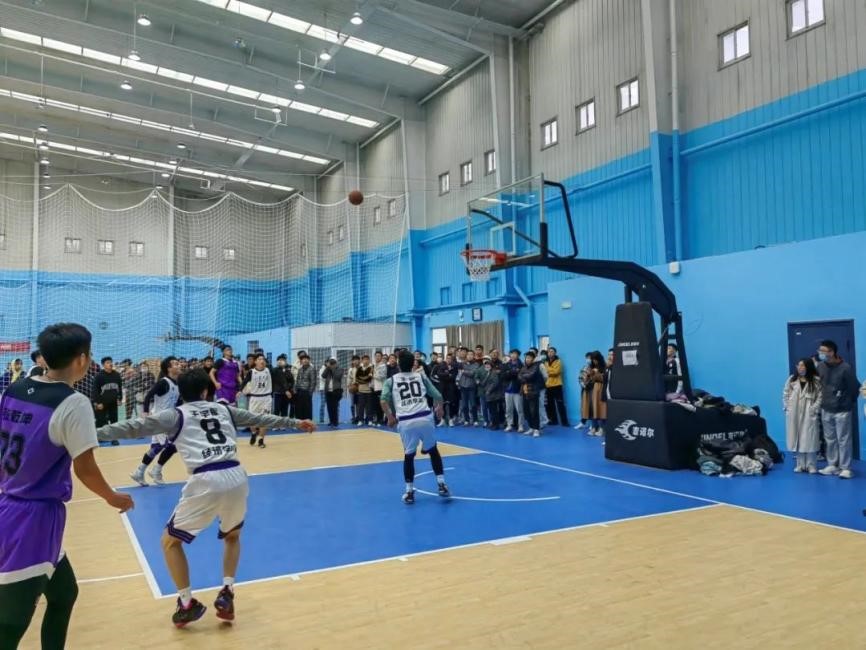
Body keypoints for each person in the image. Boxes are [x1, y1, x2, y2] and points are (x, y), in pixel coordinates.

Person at [97, 368, 314, 627]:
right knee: (232, 536)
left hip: (206, 479)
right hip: (236, 476)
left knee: (170, 542)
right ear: (205, 391)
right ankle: (227, 593)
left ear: (181, 392)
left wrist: (91, 434)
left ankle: (186, 604)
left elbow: (131, 427)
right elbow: (261, 418)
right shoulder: (225, 409)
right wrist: (296, 423)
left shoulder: (176, 414)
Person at [0, 323, 133, 649]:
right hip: (33, 519)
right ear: (82, 359)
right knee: (11, 625)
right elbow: (85, 468)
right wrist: (112, 497)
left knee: (64, 593)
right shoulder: (74, 403)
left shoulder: (14, 389)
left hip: (10, 504)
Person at [380, 350, 449, 504]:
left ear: (399, 364)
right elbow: (438, 395)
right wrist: (440, 408)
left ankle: (409, 492)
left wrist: (390, 417)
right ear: (413, 364)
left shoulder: (391, 381)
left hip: (406, 421)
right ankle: (442, 484)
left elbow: (383, 400)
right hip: (425, 417)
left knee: (409, 455)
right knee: (433, 451)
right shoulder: (420, 377)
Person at [129, 356, 181, 486]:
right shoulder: (163, 382)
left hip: (168, 420)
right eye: (175, 364)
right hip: (160, 420)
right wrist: (145, 412)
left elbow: (177, 402)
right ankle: (156, 471)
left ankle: (139, 472)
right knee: (173, 445)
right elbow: (148, 395)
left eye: (178, 363)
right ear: (168, 368)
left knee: (156, 448)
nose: (179, 365)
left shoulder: (176, 384)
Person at [816, 340, 860, 479]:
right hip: (826, 408)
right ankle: (832, 465)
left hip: (842, 410)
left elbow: (855, 387)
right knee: (830, 439)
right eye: (820, 351)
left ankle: (845, 468)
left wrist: (847, 402)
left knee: (843, 439)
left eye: (823, 351)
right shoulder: (821, 366)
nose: (820, 353)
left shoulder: (845, 368)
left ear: (832, 352)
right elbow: (819, 385)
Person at [784, 358, 822, 474]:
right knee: (798, 439)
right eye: (798, 365)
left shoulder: (816, 381)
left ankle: (811, 465)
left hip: (809, 413)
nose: (800, 368)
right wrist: (787, 408)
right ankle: (800, 465)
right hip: (794, 413)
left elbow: (820, 397)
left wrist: (814, 409)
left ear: (808, 367)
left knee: (809, 439)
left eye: (802, 365)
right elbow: (785, 394)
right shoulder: (792, 379)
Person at [92, 357, 123, 445]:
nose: (110, 364)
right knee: (100, 421)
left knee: (114, 421)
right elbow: (95, 390)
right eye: (108, 362)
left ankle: (114, 438)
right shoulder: (99, 376)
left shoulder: (117, 375)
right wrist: (98, 402)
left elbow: (120, 387)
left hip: (113, 402)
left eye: (111, 362)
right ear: (103, 365)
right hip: (102, 403)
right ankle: (99, 437)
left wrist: (120, 398)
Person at [246, 354, 274, 448]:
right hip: (254, 398)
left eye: (263, 359)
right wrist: (240, 390)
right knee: (251, 420)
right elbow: (244, 382)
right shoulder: (252, 372)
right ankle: (254, 433)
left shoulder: (269, 370)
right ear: (255, 361)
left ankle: (261, 440)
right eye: (259, 359)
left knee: (264, 420)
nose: (262, 360)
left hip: (266, 398)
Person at [518, 350, 545, 437]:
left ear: (533, 359)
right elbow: (519, 376)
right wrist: (524, 376)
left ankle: (536, 429)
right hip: (524, 392)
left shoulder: (536, 367)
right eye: (526, 358)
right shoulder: (523, 367)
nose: (527, 359)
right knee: (527, 411)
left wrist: (524, 376)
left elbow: (531, 376)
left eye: (529, 358)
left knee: (534, 411)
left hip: (533, 392)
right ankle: (531, 427)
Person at [582, 351, 607, 436]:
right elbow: (586, 379)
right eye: (593, 359)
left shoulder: (604, 366)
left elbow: (604, 379)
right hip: (591, 390)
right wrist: (587, 375)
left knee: (601, 409)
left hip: (600, 389)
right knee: (593, 409)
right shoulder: (590, 367)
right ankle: (594, 427)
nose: (594, 361)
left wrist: (596, 373)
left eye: (595, 359)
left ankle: (602, 428)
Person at [544, 346, 570, 426]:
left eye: (552, 351)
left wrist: (547, 370)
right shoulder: (545, 362)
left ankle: (564, 422)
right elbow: (544, 372)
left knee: (560, 404)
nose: (550, 353)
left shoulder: (558, 361)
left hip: (557, 385)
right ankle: (554, 420)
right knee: (550, 405)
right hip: (548, 385)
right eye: (549, 352)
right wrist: (550, 370)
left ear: (555, 353)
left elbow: (556, 372)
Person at [502, 349, 525, 433]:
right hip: (508, 390)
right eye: (512, 353)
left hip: (517, 390)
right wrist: (513, 372)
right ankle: (509, 424)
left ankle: (520, 425)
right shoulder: (506, 364)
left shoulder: (521, 365)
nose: (513, 355)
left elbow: (521, 377)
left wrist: (510, 373)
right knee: (508, 409)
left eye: (515, 354)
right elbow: (503, 376)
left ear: (518, 355)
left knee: (519, 409)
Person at [321, 358, 345, 428]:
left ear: (336, 364)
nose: (332, 365)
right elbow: (323, 375)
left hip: (336, 391)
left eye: (333, 363)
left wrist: (332, 368)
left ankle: (335, 422)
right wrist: (327, 368)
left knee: (334, 407)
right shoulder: (328, 369)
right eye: (331, 363)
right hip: (328, 391)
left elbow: (337, 376)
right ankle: (331, 421)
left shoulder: (340, 369)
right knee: (329, 407)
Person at [293, 354, 316, 420]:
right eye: (303, 359)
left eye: (306, 359)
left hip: (306, 392)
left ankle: (308, 423)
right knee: (299, 408)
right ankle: (300, 423)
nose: (305, 360)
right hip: (299, 391)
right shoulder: (300, 369)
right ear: (301, 361)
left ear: (309, 360)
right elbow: (297, 380)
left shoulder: (312, 369)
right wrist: (295, 390)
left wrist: (310, 393)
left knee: (307, 409)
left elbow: (313, 382)